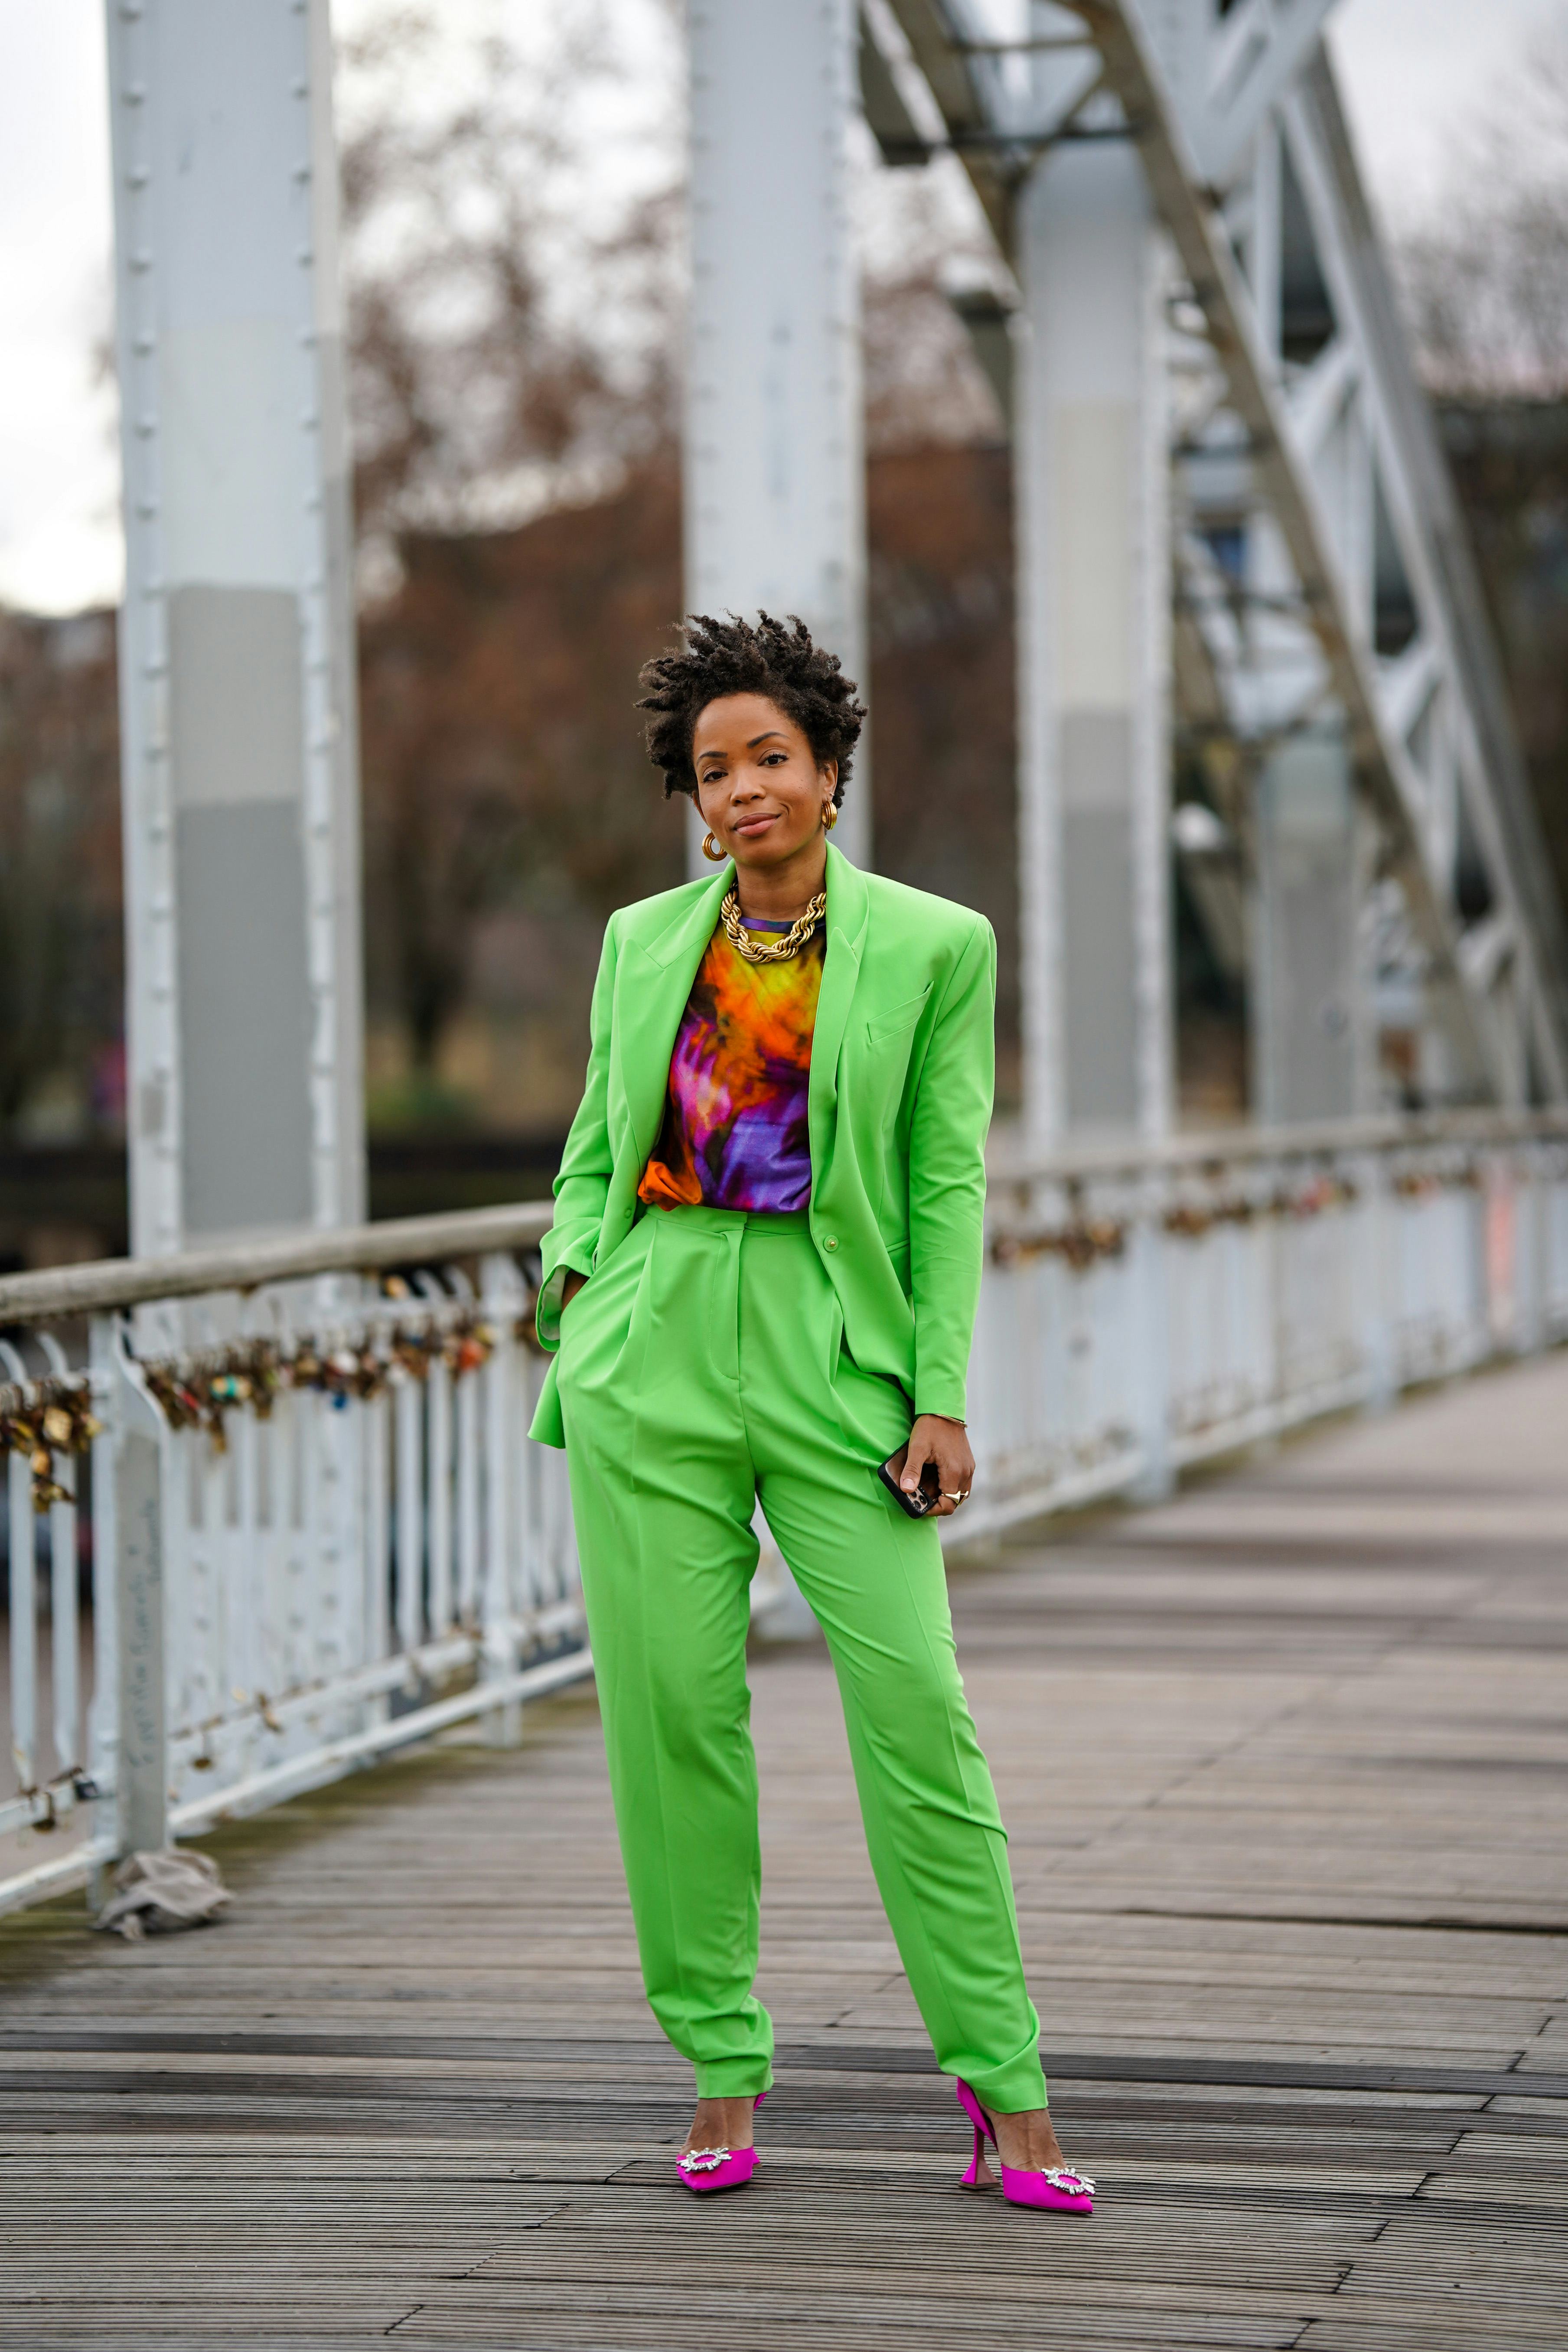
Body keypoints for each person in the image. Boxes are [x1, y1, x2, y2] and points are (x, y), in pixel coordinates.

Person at [528, 612, 1092, 2215]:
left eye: (768, 755)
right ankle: (720, 2067)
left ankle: (1007, 2084)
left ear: (829, 768)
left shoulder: (933, 944)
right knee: (675, 1719)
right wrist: (577, 1280)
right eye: (712, 770)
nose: (742, 790)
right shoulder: (645, 940)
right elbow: (591, 1140)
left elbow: (943, 1174)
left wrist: (939, 1392)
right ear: (692, 799)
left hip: (835, 1357)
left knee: (919, 1716)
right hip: (651, 1347)